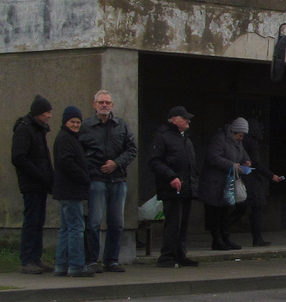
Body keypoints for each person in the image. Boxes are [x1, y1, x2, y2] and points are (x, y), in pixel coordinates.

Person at [78, 89, 137, 272]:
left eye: (108, 103)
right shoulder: (86, 126)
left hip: (118, 179)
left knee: (117, 223)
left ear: (112, 105)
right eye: (101, 102)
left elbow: (132, 149)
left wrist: (116, 163)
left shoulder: (121, 125)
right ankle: (92, 260)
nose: (104, 105)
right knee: (94, 222)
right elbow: (79, 153)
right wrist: (92, 169)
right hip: (96, 179)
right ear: (94, 104)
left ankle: (111, 260)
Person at [147, 106, 200, 268]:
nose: (188, 121)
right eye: (185, 118)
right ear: (175, 120)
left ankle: (180, 254)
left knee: (183, 224)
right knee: (173, 223)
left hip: (186, 187)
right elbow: (154, 161)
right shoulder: (162, 137)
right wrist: (171, 176)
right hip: (171, 188)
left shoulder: (185, 138)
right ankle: (167, 256)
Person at [11, 95, 55, 274]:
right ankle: (27, 259)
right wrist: (39, 175)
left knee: (38, 221)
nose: (50, 116)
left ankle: (36, 257)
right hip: (31, 184)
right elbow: (18, 157)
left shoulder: (38, 129)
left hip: (40, 183)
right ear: (38, 113)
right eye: (47, 112)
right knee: (31, 220)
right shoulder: (25, 129)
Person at [52, 106, 94, 277]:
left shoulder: (69, 138)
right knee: (76, 228)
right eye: (73, 122)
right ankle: (76, 265)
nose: (76, 125)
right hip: (71, 191)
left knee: (66, 229)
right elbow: (67, 162)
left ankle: (62, 265)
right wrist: (84, 177)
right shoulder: (65, 139)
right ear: (65, 122)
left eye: (78, 122)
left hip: (66, 191)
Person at [199, 117, 251, 250]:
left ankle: (225, 237)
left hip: (228, 182)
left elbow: (243, 154)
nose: (241, 138)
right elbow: (213, 157)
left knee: (227, 210)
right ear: (234, 132)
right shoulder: (219, 139)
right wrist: (232, 165)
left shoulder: (237, 142)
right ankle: (217, 240)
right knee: (216, 212)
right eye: (240, 135)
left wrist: (246, 162)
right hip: (214, 182)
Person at [241, 124, 284, 247]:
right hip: (251, 179)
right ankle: (257, 238)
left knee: (241, 209)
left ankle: (222, 232)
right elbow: (257, 164)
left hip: (243, 176)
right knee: (257, 208)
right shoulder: (252, 143)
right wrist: (271, 176)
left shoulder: (241, 141)